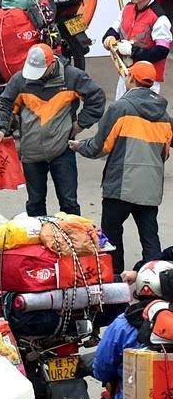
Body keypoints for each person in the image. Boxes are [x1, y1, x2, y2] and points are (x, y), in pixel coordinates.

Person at [77, 59, 172, 272]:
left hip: (120, 185)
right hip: (150, 187)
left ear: (130, 78)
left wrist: (78, 146)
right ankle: (155, 280)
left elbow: (99, 147)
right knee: (149, 237)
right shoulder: (165, 115)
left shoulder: (121, 108)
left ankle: (115, 279)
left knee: (110, 236)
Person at [0, 43, 105, 218]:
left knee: (69, 203)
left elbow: (96, 97)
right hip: (31, 153)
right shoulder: (20, 80)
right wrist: (0, 127)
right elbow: (6, 104)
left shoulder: (72, 77)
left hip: (62, 150)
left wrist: (80, 125)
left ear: (52, 65)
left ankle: (72, 241)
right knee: (35, 202)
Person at [105, 0, 172, 97]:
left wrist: (133, 51)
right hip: (125, 74)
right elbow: (113, 30)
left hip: (146, 80)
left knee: (141, 116)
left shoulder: (159, 18)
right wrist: (109, 38)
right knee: (120, 113)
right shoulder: (127, 8)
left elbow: (162, 51)